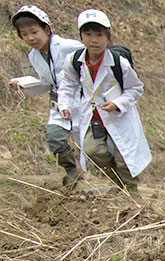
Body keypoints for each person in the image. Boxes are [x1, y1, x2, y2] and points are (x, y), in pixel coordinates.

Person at [57, 9, 151, 193]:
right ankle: (118, 183)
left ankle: (131, 192)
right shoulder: (75, 60)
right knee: (93, 151)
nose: (94, 40)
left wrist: (118, 103)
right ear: (81, 37)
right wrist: (64, 105)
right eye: (88, 34)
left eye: (99, 35)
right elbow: (67, 84)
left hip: (118, 115)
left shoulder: (118, 62)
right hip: (93, 116)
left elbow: (135, 88)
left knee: (124, 155)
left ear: (108, 37)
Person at [10, 5, 84, 187]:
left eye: (34, 32)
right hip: (59, 103)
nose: (30, 38)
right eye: (24, 34)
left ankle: (93, 182)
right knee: (54, 138)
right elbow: (47, 81)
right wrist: (24, 84)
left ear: (47, 29)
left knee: (88, 148)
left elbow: (92, 63)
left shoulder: (69, 47)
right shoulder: (34, 56)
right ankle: (71, 170)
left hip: (81, 101)